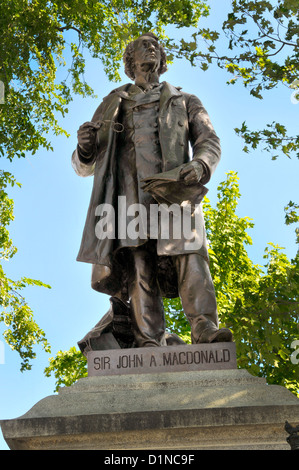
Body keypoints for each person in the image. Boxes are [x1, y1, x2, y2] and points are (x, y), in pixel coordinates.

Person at [72, 32, 233, 348]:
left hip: (176, 191)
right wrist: (84, 149)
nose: (152, 47)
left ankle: (204, 329)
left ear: (163, 60)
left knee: (192, 257)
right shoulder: (111, 103)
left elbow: (209, 142)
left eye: (156, 45)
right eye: (143, 45)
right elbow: (84, 165)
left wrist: (200, 166)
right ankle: (149, 340)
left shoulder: (185, 100)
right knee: (138, 262)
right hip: (129, 196)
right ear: (130, 62)